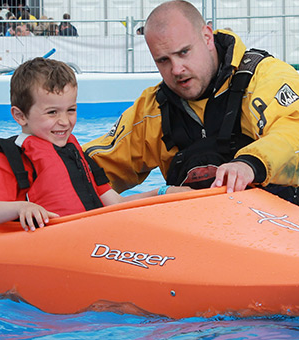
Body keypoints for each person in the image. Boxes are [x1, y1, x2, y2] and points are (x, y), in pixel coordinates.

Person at [83, 0, 299, 203]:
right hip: (198, 231)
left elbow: (293, 129)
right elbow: (93, 165)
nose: (176, 70)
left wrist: (250, 164)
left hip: (281, 223)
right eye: (163, 60)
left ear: (207, 37)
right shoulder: (153, 109)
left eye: (184, 52)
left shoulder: (265, 77)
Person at [0, 57, 191, 232]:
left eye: (71, 110)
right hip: (43, 247)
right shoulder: (9, 158)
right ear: (20, 116)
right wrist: (22, 207)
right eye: (52, 112)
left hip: (85, 240)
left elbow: (114, 203)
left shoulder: (75, 155)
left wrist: (162, 193)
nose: (65, 121)